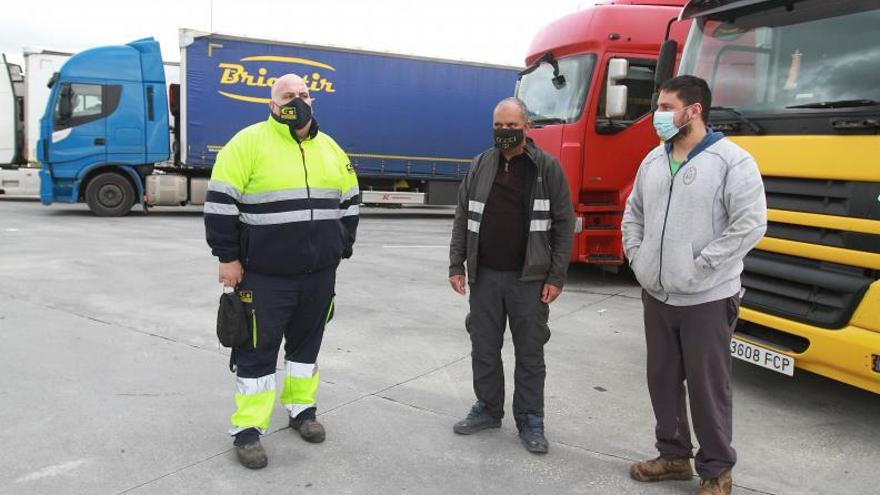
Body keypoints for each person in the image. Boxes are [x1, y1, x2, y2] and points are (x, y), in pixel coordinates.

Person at [204, 74, 359, 469]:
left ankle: (301, 411)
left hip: (319, 274)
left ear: (313, 101)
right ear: (272, 104)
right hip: (264, 275)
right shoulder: (248, 143)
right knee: (256, 352)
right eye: (288, 95)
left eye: (304, 94)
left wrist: (340, 247)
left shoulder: (330, 148)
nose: (297, 100)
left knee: (306, 349)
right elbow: (221, 203)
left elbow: (350, 200)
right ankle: (248, 430)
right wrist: (227, 258)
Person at [622, 75, 767, 495]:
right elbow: (633, 215)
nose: (658, 115)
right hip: (658, 293)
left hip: (707, 296)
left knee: (708, 388)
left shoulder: (731, 161)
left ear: (695, 110)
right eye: (658, 106)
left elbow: (750, 224)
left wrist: (702, 266)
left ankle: (717, 471)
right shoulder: (652, 160)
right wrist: (638, 257)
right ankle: (672, 456)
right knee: (662, 379)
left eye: (666, 107)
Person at [448, 97, 574, 454]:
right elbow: (462, 218)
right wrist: (457, 265)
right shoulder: (480, 165)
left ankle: (531, 419)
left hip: (529, 281)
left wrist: (556, 276)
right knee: (483, 348)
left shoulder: (546, 168)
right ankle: (488, 409)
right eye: (498, 126)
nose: (504, 132)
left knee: (530, 353)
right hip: (485, 276)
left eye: (511, 126)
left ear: (526, 127)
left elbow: (564, 224)